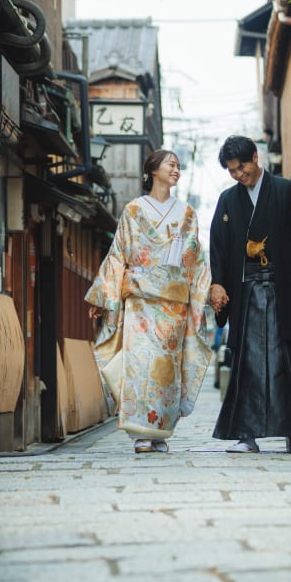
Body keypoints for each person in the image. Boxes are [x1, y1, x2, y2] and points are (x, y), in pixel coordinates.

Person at [209, 136, 291, 454]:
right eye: (232, 171)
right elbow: (219, 247)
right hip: (247, 292)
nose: (239, 175)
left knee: (289, 360)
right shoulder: (228, 201)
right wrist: (218, 284)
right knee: (248, 365)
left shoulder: (285, 191)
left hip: (285, 292)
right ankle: (246, 434)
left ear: (256, 157)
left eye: (242, 167)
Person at [85, 150, 213, 453]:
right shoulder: (133, 210)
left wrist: (203, 293)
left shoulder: (187, 213)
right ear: (152, 170)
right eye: (171, 164)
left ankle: (161, 431)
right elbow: (119, 254)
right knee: (140, 366)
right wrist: (105, 295)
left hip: (173, 304)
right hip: (141, 303)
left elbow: (195, 259)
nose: (176, 170)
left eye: (179, 166)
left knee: (166, 369)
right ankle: (140, 431)